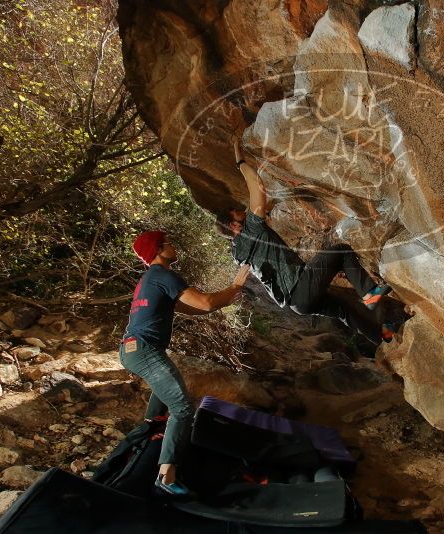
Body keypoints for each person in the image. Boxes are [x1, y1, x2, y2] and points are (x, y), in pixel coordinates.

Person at [216, 137, 400, 344]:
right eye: (238, 213)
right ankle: (373, 299)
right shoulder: (251, 229)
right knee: (341, 251)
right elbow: (257, 187)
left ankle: (383, 338)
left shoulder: (237, 252)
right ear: (234, 226)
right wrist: (240, 161)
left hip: (297, 305)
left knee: (343, 310)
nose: (243, 211)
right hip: (300, 287)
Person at [120, 230, 250, 496]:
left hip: (134, 349)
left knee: (167, 396)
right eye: (167, 243)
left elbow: (195, 307)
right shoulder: (163, 275)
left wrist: (227, 297)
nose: (173, 245)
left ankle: (147, 433)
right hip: (144, 350)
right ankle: (166, 477)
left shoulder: (151, 279)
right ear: (157, 250)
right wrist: (235, 286)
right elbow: (206, 302)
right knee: (182, 407)